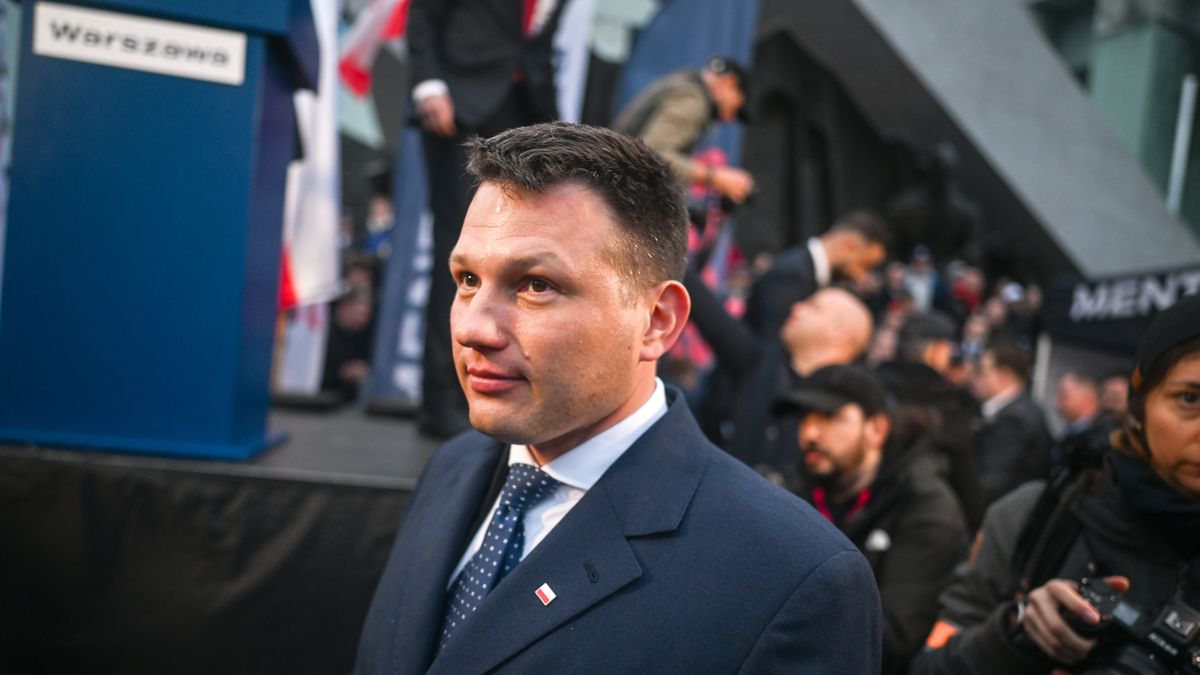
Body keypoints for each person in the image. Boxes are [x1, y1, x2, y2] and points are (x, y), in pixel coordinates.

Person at [355, 123, 881, 674]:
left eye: (536, 285)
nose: (473, 328)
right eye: (467, 279)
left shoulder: (792, 577)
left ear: (656, 321)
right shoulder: (453, 469)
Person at [912, 291, 1200, 675]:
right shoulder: (1035, 517)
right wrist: (1016, 632)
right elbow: (929, 667)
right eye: (1190, 399)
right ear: (1139, 403)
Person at [407, 0, 572, 438]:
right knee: (461, 257)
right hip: (461, 105)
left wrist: (555, 129)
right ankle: (441, 400)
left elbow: (537, 41)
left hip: (526, 114)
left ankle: (497, 395)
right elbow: (424, 14)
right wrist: (428, 85)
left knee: (517, 260)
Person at [774, 365, 969, 675]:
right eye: (805, 418)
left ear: (877, 429)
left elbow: (891, 641)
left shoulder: (925, 506)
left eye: (829, 417)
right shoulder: (792, 490)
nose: (810, 433)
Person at [685, 268, 874, 476]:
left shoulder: (849, 410)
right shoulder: (761, 362)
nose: (797, 307)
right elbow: (711, 315)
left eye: (814, 307)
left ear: (839, 334)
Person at [879, 311, 985, 531]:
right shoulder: (948, 407)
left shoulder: (872, 387)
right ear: (936, 351)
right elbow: (969, 497)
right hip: (914, 526)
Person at [612, 55, 754, 204]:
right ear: (730, 82)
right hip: (616, 189)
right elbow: (652, 154)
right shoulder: (693, 100)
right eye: (737, 110)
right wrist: (716, 177)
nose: (730, 118)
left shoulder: (686, 83)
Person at [743, 210, 889, 338]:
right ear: (848, 247)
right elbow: (773, 342)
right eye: (865, 266)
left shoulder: (807, 272)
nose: (862, 276)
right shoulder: (793, 274)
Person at [970, 337, 1052, 508]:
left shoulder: (1014, 419)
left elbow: (992, 482)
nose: (976, 379)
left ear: (1005, 375)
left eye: (983, 372)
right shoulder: (1020, 409)